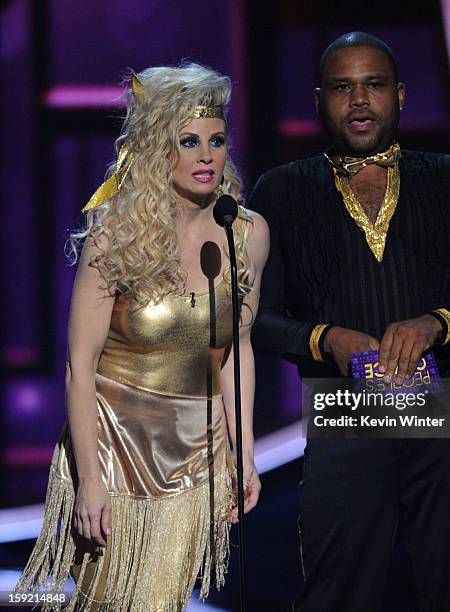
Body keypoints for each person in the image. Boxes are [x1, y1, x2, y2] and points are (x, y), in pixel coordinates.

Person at [248, 32, 450, 611]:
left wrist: (438, 324)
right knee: (335, 592)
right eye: (342, 87)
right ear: (319, 99)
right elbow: (258, 320)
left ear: (399, 95)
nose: (359, 100)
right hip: (342, 412)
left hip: (446, 405)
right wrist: (328, 340)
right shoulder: (281, 191)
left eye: (373, 85)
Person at [15, 62, 268, 611]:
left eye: (217, 140)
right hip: (112, 450)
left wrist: (242, 452)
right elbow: (79, 366)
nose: (206, 155)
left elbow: (234, 349)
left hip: (194, 458)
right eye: (189, 141)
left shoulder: (246, 232)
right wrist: (88, 481)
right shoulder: (115, 233)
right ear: (158, 148)